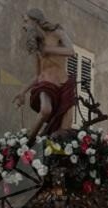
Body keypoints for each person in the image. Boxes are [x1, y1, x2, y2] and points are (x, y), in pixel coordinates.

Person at [14, 8, 76, 141]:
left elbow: (71, 51)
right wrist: (22, 92)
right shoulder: (38, 47)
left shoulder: (57, 33)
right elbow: (37, 75)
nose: (24, 26)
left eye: (26, 21)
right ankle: (28, 141)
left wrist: (47, 49)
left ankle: (45, 144)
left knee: (64, 130)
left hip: (63, 84)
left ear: (35, 20)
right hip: (45, 83)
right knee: (45, 110)